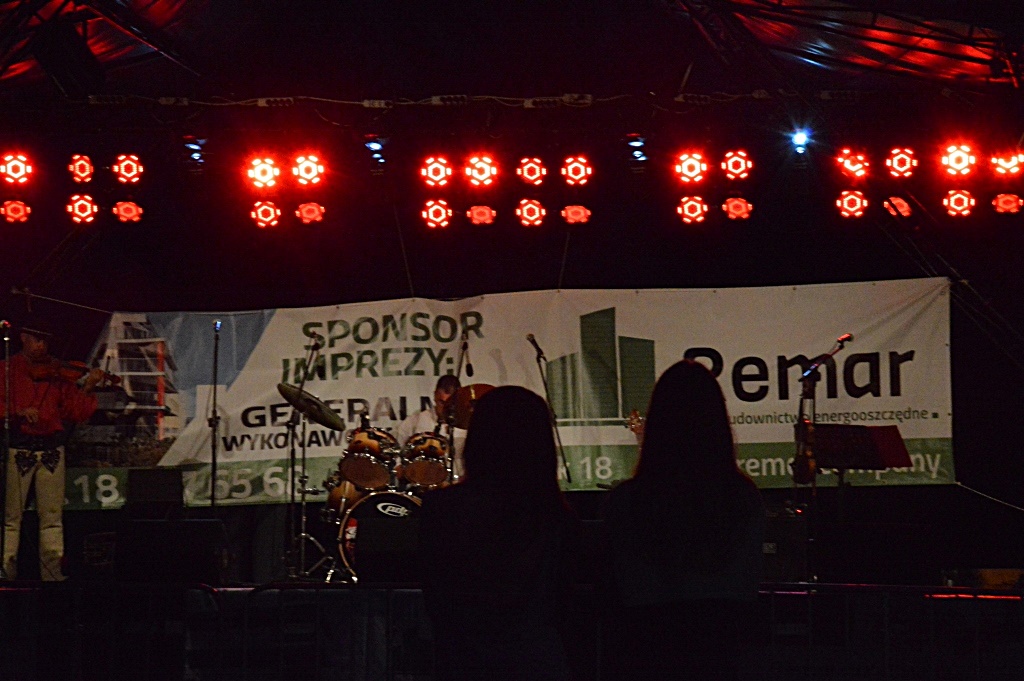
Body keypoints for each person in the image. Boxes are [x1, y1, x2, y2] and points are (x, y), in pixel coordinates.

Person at [602, 359, 766, 680]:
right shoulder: (742, 498)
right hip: (720, 650)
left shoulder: (626, 502)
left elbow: (617, 587)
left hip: (646, 650)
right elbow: (747, 585)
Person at [418, 386, 579, 681]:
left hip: (463, 661)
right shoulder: (556, 516)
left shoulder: (441, 509)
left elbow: (435, 598)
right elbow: (565, 604)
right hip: (536, 663)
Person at [1, 318, 104, 580]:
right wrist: (18, 411)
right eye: (36, 340)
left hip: (52, 450)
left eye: (45, 341)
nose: (41, 346)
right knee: (11, 519)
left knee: (52, 519)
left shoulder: (58, 373)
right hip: (19, 449)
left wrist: (88, 387)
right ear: (23, 337)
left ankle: (53, 576)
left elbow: (75, 412)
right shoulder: (6, 369)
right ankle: (5, 575)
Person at [395, 374, 466, 478]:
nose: (445, 408)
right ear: (435, 396)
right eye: (442, 403)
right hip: (424, 480)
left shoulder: (468, 424)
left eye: (450, 404)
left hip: (459, 480)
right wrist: (399, 466)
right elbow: (396, 447)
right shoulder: (416, 420)